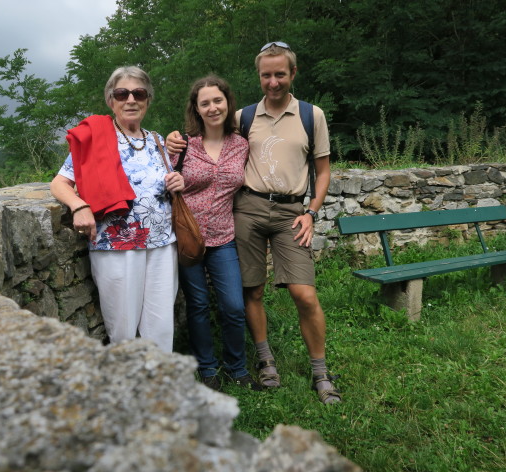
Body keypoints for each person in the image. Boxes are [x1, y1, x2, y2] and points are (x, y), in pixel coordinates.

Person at [167, 42, 341, 403]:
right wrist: (171, 140)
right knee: (251, 292)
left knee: (303, 294)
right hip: (244, 211)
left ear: (293, 74)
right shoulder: (243, 118)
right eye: (266, 75)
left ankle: (320, 371)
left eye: (280, 74)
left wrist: (311, 211)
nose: (273, 82)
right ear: (258, 77)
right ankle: (262, 361)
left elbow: (323, 171)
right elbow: (198, 136)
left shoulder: (312, 115)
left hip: (291, 213)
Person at [51, 65, 184, 353]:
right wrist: (79, 205)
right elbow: (60, 183)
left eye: (139, 93)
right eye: (122, 93)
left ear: (148, 99)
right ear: (111, 100)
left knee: (160, 325)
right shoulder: (95, 139)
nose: (131, 100)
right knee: (123, 328)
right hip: (116, 245)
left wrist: (176, 181)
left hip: (162, 244)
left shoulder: (158, 141)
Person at [170, 75, 260, 391]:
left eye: (217, 100)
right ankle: (208, 368)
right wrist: (175, 182)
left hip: (224, 238)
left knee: (233, 306)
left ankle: (237, 367)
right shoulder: (183, 144)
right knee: (197, 306)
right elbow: (162, 179)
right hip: (188, 237)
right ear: (196, 108)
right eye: (205, 103)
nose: (212, 108)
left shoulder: (241, 145)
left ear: (227, 102)